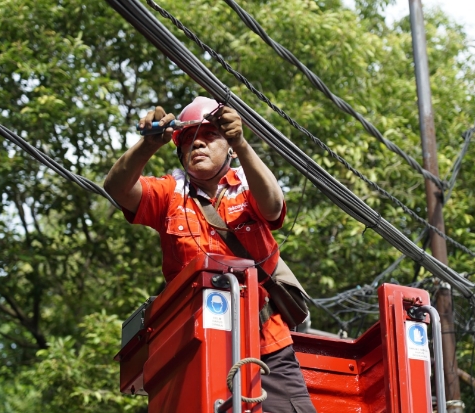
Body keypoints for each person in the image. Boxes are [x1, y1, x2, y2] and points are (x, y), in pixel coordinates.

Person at [104, 96, 316, 413]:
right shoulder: (168, 193)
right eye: (189, 139)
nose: (197, 144)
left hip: (265, 343)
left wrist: (242, 143)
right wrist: (147, 144)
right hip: (195, 344)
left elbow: (272, 207)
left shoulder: (246, 183)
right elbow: (116, 187)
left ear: (228, 146)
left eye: (209, 136)